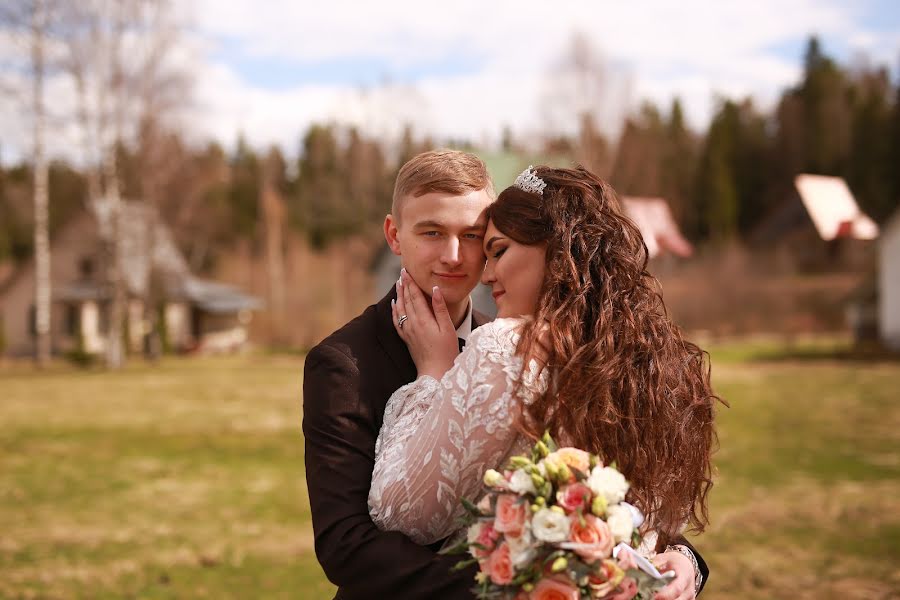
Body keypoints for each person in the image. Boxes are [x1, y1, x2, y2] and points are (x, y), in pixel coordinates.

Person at [368, 165, 718, 599]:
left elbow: (400, 513)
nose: (487, 273)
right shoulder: (658, 363)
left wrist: (433, 374)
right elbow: (654, 526)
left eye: (498, 250)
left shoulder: (503, 347)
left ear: (558, 251)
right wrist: (685, 562)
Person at [303, 149, 496, 599]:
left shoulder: (509, 346)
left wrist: (682, 557)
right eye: (433, 232)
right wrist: (502, 586)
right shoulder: (341, 362)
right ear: (394, 235)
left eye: (471, 235)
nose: (454, 255)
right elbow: (345, 545)